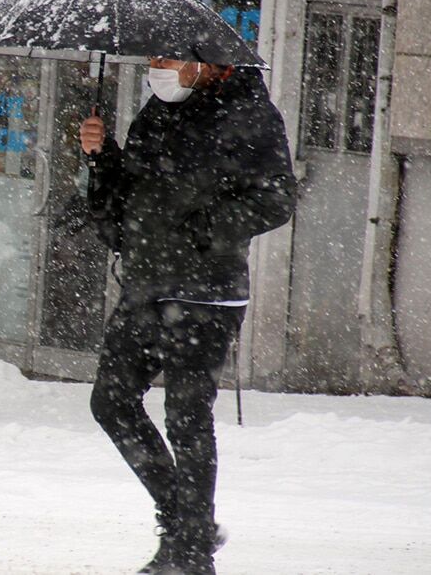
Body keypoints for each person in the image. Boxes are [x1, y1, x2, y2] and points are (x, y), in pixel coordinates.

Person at [80, 57, 296, 575]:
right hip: (147, 285)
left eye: (167, 58)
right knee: (111, 402)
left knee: (187, 417)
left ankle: (191, 553)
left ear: (204, 62)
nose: (156, 68)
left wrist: (203, 228)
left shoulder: (248, 113)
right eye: (153, 58)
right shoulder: (157, 111)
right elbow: (122, 210)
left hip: (206, 294)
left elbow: (277, 199)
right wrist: (102, 158)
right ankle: (187, 525)